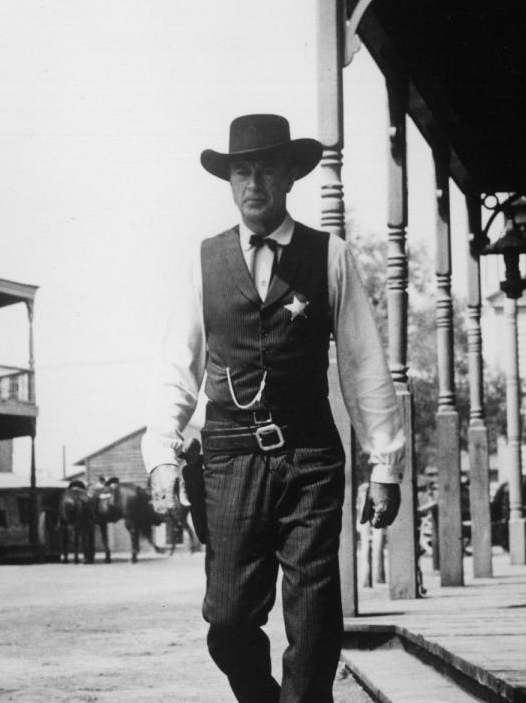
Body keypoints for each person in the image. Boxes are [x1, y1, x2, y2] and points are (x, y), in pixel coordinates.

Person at [143, 113, 405, 703]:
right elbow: (175, 367)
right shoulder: (203, 261)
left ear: (290, 178)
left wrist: (385, 465)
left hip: (310, 452)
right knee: (229, 620)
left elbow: (364, 363)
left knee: (313, 619)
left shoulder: (329, 255)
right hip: (230, 457)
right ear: (229, 181)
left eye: (266, 170)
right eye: (241, 171)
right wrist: (161, 456)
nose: (253, 183)